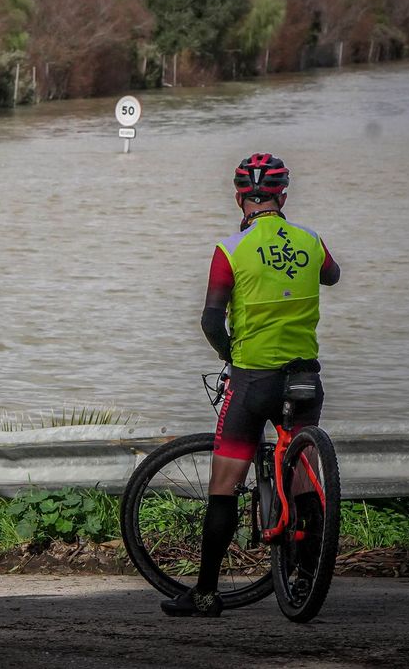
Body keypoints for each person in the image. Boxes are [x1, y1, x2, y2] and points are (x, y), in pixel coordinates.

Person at [162, 153, 341, 618]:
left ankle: (204, 593)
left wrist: (230, 355)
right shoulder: (311, 241)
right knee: (302, 472)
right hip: (304, 377)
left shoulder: (230, 250)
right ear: (283, 196)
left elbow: (210, 321)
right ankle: (308, 577)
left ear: (240, 197)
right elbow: (332, 275)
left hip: (253, 378)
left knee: (224, 485)